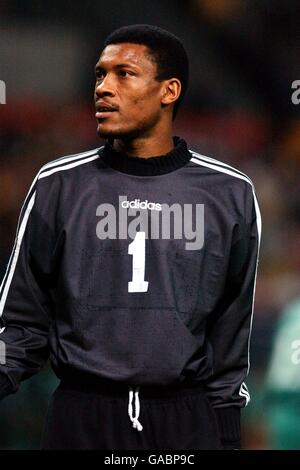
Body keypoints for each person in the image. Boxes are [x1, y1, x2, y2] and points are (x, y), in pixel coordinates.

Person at [0, 24, 261, 450]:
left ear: (169, 90)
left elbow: (231, 336)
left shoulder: (229, 193)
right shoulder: (58, 185)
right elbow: (19, 324)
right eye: (100, 75)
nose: (103, 88)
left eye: (124, 73)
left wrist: (227, 432)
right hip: (79, 417)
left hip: (185, 420)